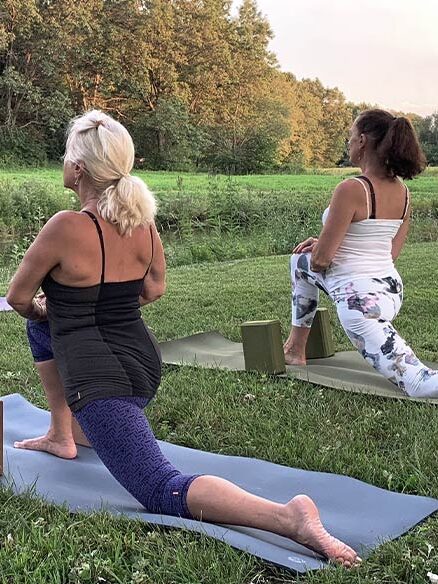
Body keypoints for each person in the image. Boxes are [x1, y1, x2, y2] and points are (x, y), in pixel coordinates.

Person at [6, 110, 359, 567]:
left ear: (78, 170)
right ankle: (62, 435)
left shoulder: (65, 226)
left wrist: (59, 310)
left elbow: (18, 297)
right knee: (41, 327)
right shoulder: (141, 222)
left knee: (159, 487)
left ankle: (289, 518)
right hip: (143, 361)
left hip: (100, 381)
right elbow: (153, 289)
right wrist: (82, 309)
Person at [283, 109, 437, 398]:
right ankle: (294, 349)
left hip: (360, 305)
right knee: (298, 262)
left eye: (350, 137)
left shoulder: (352, 188)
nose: (349, 143)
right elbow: (389, 253)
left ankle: (295, 349)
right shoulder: (403, 192)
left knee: (419, 383)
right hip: (390, 290)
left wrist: (324, 246)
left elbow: (321, 261)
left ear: (363, 141)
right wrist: (325, 242)